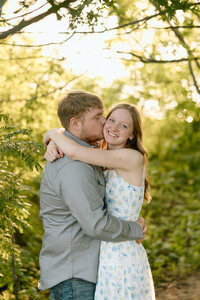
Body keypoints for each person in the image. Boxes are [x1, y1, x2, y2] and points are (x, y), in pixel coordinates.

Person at [39, 90, 147, 300]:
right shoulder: (74, 165)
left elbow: (75, 148)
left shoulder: (97, 153)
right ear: (76, 124)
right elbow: (95, 224)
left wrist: (53, 135)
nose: (106, 122)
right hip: (75, 272)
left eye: (104, 115)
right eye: (99, 117)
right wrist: (53, 135)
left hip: (104, 261)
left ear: (132, 134)